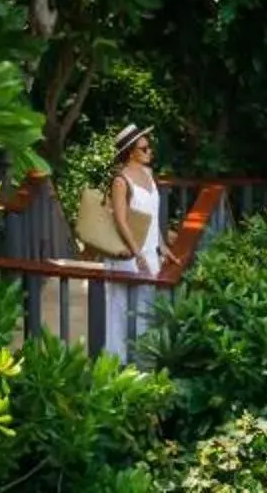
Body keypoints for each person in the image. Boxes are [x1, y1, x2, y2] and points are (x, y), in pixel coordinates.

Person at [103, 124, 162, 361]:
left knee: (147, 309)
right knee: (121, 310)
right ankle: (118, 365)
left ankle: (143, 366)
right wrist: (137, 255)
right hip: (128, 254)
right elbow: (120, 219)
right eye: (144, 148)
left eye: (149, 147)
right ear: (131, 153)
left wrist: (163, 246)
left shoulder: (148, 175)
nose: (150, 152)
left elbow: (151, 217)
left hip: (150, 252)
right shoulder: (121, 180)